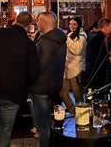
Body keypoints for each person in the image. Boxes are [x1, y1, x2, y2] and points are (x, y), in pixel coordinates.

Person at [0, 11, 41, 147]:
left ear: (15, 20)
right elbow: (33, 73)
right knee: (5, 131)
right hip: (11, 94)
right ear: (30, 26)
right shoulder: (29, 44)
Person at [29, 11, 67, 147]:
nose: (36, 24)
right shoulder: (61, 39)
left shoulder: (45, 42)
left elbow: (36, 66)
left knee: (42, 126)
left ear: (43, 23)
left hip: (40, 88)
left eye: (38, 21)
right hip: (54, 86)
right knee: (51, 123)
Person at [59, 16, 87, 116]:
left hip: (76, 69)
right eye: (70, 24)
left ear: (79, 25)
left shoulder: (82, 36)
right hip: (66, 68)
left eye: (74, 24)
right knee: (62, 92)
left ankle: (81, 115)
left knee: (77, 94)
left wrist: (67, 39)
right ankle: (73, 112)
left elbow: (77, 50)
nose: (72, 26)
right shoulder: (69, 34)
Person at [83, 18, 111, 91]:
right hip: (95, 75)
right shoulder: (97, 39)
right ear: (105, 27)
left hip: (95, 74)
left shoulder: (97, 37)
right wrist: (109, 60)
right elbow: (96, 58)